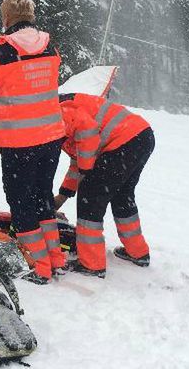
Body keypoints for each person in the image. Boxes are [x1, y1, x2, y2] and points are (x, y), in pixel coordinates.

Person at [0, 0, 66, 284]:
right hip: (51, 136)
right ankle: (56, 257)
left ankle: (38, 266)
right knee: (42, 197)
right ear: (31, 16)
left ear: (6, 17)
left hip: (18, 140)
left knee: (21, 201)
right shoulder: (50, 46)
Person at [54, 93, 154, 277]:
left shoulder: (59, 112)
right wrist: (63, 194)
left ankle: (92, 264)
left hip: (122, 142)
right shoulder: (66, 114)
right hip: (141, 136)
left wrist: (85, 175)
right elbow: (81, 157)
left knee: (90, 197)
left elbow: (86, 143)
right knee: (122, 196)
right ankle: (138, 252)